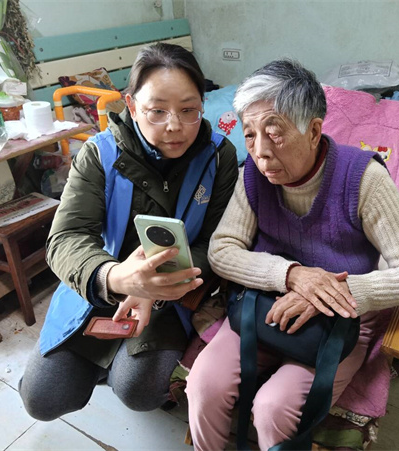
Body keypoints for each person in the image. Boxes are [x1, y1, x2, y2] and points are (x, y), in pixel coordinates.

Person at [185, 59, 399, 450]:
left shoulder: (362, 180)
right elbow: (222, 251)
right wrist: (292, 276)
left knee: (274, 409)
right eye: (250, 134)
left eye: (274, 133)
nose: (260, 151)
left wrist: (336, 293)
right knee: (203, 385)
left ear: (313, 131)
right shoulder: (253, 174)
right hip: (263, 308)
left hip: (336, 325)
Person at [19, 43, 238, 421]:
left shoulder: (218, 157)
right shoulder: (99, 154)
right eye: (157, 110)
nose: (174, 125)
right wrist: (115, 277)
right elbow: (66, 238)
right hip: (99, 285)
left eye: (189, 110)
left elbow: (216, 241)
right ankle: (99, 361)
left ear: (202, 106)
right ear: (132, 106)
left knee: (139, 391)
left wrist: (157, 289)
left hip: (171, 293)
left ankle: (120, 366)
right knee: (43, 398)